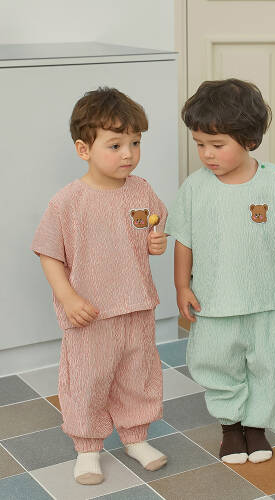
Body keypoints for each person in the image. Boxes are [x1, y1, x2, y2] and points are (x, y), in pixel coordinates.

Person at [166, 78, 275, 464]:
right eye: (200, 144)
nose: (207, 154)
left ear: (249, 140)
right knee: (216, 362)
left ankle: (256, 428)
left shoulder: (273, 181)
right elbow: (184, 241)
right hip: (215, 300)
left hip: (265, 300)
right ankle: (230, 426)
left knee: (266, 365)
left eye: (217, 144)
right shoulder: (195, 187)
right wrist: (182, 286)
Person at [32, 88, 168, 484]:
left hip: (136, 305)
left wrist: (155, 242)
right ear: (83, 149)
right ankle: (88, 448)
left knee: (137, 375)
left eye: (135, 143)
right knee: (88, 380)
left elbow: (153, 225)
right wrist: (68, 297)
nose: (129, 154)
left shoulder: (141, 190)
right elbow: (49, 253)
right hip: (90, 313)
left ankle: (136, 437)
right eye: (115, 145)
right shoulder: (68, 202)